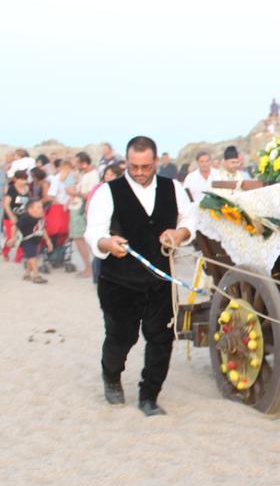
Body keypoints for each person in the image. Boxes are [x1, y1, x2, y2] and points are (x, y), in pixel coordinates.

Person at [85, 136, 196, 416]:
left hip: (160, 281)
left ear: (155, 162)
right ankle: (111, 377)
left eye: (145, 167)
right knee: (121, 337)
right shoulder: (108, 192)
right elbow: (94, 231)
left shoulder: (174, 188)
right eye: (133, 166)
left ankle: (149, 396)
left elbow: (189, 221)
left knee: (160, 338)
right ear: (126, 162)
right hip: (119, 282)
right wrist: (107, 243)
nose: (139, 172)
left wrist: (178, 234)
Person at [70, 152, 100, 279]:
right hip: (77, 208)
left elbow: (90, 195)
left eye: (77, 162)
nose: (75, 165)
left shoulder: (92, 175)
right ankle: (89, 267)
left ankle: (89, 268)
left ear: (83, 163)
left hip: (81, 210)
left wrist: (75, 193)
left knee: (81, 239)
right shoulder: (85, 175)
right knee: (80, 239)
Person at [17, 199, 52, 284]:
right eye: (38, 207)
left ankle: (27, 273)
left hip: (36, 241)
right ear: (30, 209)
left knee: (32, 258)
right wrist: (12, 239)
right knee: (33, 257)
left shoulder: (40, 218)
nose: (41, 209)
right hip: (27, 241)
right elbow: (14, 227)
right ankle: (36, 275)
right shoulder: (25, 218)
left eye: (41, 207)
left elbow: (42, 229)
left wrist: (48, 240)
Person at [2, 171, 30, 260]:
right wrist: (11, 216)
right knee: (11, 238)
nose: (23, 181)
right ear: (15, 179)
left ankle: (19, 257)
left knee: (23, 237)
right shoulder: (11, 189)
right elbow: (6, 204)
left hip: (23, 216)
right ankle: (5, 251)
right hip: (10, 217)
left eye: (25, 179)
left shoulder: (26, 189)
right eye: (21, 179)